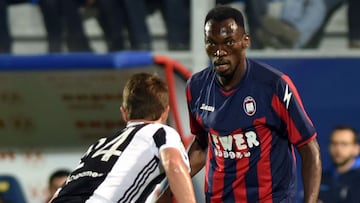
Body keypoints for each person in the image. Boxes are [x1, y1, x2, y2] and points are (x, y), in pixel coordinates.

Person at [159, 5, 322, 203]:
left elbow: (309, 148)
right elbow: (202, 144)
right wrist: (168, 193)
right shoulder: (196, 86)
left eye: (228, 42)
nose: (219, 51)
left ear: (245, 41)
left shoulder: (274, 85)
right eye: (211, 43)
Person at [49, 72, 196, 203]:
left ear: (124, 113)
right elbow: (174, 163)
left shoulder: (100, 144)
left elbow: (62, 192)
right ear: (165, 112)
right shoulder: (160, 132)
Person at [318, 125, 360, 203]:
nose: (338, 149)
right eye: (334, 143)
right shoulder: (321, 178)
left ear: (356, 149)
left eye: (344, 144)